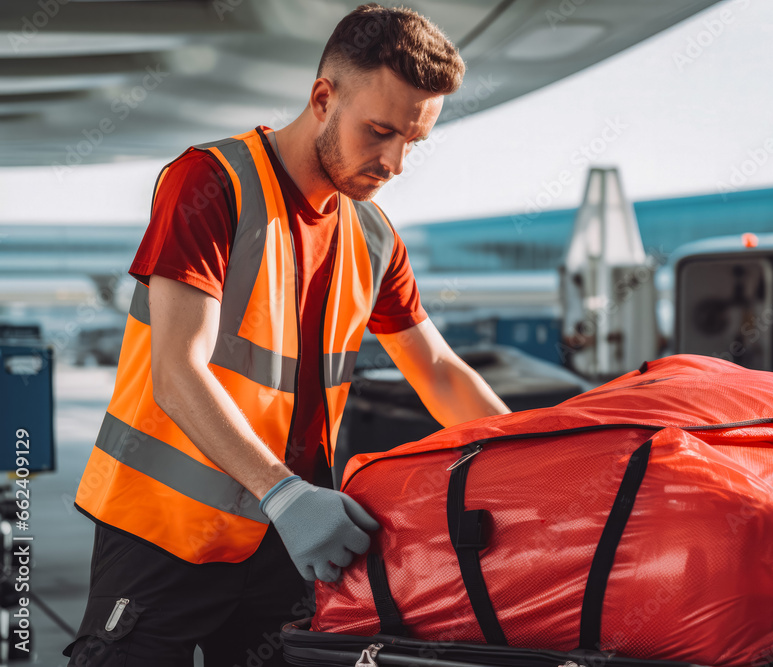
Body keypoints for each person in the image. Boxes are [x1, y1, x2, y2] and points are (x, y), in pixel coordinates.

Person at [64, 4, 510, 665]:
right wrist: (284, 493)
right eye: (380, 131)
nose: (393, 162)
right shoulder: (211, 183)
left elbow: (439, 371)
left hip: (286, 543)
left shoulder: (373, 234)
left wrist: (540, 455)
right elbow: (176, 371)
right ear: (323, 98)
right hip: (163, 529)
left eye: (412, 142)